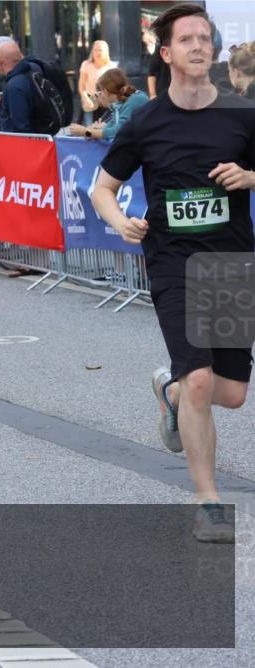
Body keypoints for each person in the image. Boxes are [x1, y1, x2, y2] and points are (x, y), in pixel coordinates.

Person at [91, 3, 255, 543]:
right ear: (167, 53)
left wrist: (250, 175)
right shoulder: (147, 120)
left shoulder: (241, 114)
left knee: (230, 393)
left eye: (205, 38)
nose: (199, 46)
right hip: (172, 263)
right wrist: (122, 224)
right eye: (187, 39)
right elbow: (102, 190)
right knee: (202, 380)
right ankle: (209, 505)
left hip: (230, 262)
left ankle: (171, 392)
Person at [0, 41, 39, 134]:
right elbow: (10, 112)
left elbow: (20, 128)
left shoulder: (14, 85)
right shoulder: (31, 72)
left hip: (21, 144)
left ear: (0, 60)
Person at [69, 68, 149, 140]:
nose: (99, 97)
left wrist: (86, 132)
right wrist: (94, 131)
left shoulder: (133, 100)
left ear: (105, 92)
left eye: (99, 92)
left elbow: (118, 132)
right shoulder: (123, 101)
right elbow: (113, 126)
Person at [78, 40, 115, 124]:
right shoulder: (86, 64)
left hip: (105, 102)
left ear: (106, 52)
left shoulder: (111, 66)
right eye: (95, 50)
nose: (97, 52)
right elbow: (81, 86)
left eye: (100, 50)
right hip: (90, 100)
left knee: (103, 127)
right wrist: (85, 99)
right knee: (88, 128)